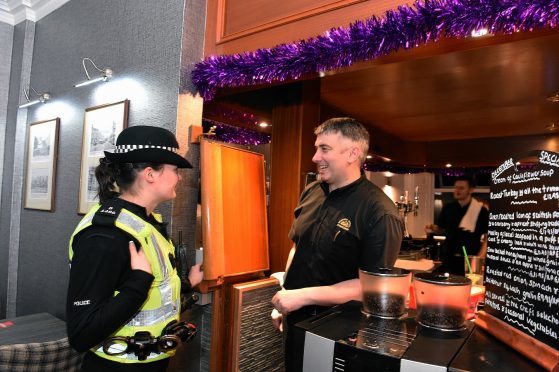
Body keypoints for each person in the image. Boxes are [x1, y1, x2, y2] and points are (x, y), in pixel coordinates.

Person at [271, 117, 404, 371]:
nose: (315, 157)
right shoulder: (311, 191)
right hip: (295, 320)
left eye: (324, 149)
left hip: (339, 331)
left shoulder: (379, 212)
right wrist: (287, 297)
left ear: (353, 153)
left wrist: (302, 297)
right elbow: (297, 248)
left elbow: (372, 287)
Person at [67, 125, 204, 371]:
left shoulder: (147, 224)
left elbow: (152, 296)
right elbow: (82, 333)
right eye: (174, 170)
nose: (179, 177)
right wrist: (139, 281)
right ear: (150, 174)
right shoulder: (105, 235)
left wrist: (186, 284)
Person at [425, 175, 489, 275]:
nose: (457, 191)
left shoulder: (481, 211)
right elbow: (440, 229)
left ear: (471, 190)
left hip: (469, 259)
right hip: (448, 258)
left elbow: (487, 238)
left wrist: (480, 258)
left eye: (461, 188)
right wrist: (432, 228)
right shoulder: (448, 208)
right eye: (456, 187)